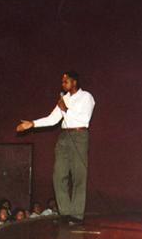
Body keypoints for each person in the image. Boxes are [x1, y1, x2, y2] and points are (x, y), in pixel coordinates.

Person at [17, 71, 95, 225]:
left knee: (79, 177)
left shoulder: (86, 97)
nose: (62, 85)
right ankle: (65, 214)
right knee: (58, 176)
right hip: (64, 136)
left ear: (73, 83)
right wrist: (32, 124)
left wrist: (66, 110)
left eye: (65, 82)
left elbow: (85, 118)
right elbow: (52, 119)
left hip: (79, 135)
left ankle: (77, 216)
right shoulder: (64, 99)